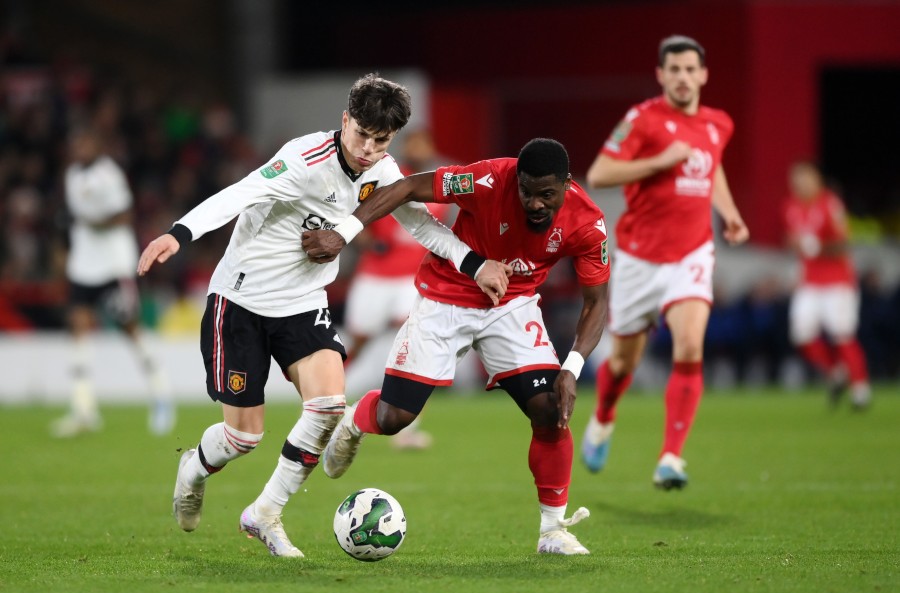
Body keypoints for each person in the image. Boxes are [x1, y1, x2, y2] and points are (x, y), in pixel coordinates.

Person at [136, 74, 509, 558]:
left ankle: (265, 514)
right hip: (242, 300)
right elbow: (240, 193)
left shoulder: (383, 171)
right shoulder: (303, 160)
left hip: (303, 303)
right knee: (242, 437)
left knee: (329, 407)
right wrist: (179, 233)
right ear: (345, 120)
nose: (369, 150)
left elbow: (421, 225)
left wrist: (474, 264)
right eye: (362, 135)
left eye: (381, 140)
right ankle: (194, 469)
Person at [302, 138, 611, 555]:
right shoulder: (488, 179)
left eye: (547, 194)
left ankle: (552, 531)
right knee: (395, 418)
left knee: (551, 411)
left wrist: (571, 368)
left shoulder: (587, 223)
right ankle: (354, 423)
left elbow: (596, 303)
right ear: (516, 181)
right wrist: (344, 234)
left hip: (512, 305)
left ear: (567, 184)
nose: (535, 203)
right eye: (527, 192)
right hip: (447, 295)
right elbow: (407, 187)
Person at [580, 35, 749, 489]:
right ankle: (603, 416)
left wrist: (729, 212)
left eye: (690, 69)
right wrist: (660, 161)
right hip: (640, 258)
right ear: (661, 74)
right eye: (674, 69)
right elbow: (600, 173)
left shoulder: (718, 123)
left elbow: (712, 167)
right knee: (622, 364)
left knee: (690, 345)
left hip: (692, 252)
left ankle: (671, 457)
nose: (683, 77)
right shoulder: (642, 119)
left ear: (703, 74)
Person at [52, 126, 175, 438]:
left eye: (85, 142)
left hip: (113, 265)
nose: (80, 148)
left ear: (97, 145)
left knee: (129, 328)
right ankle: (83, 409)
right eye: (76, 142)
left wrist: (93, 222)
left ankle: (161, 394)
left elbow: (124, 215)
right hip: (84, 265)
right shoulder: (72, 175)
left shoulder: (109, 175)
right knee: (78, 327)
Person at [342, 129, 455, 450]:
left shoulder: (439, 186)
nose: (419, 149)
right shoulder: (386, 177)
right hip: (375, 276)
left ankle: (408, 426)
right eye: (414, 144)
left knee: (417, 343)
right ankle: (324, 401)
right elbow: (356, 215)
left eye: (424, 144)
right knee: (358, 341)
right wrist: (366, 241)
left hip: (412, 280)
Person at [783, 160, 870, 409]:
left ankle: (860, 390)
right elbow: (791, 239)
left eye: (805, 178)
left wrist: (818, 247)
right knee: (801, 335)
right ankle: (835, 372)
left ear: (817, 179)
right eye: (796, 179)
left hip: (837, 280)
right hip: (809, 280)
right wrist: (796, 245)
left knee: (842, 334)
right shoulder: (790, 206)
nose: (800, 184)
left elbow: (844, 243)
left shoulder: (830, 203)